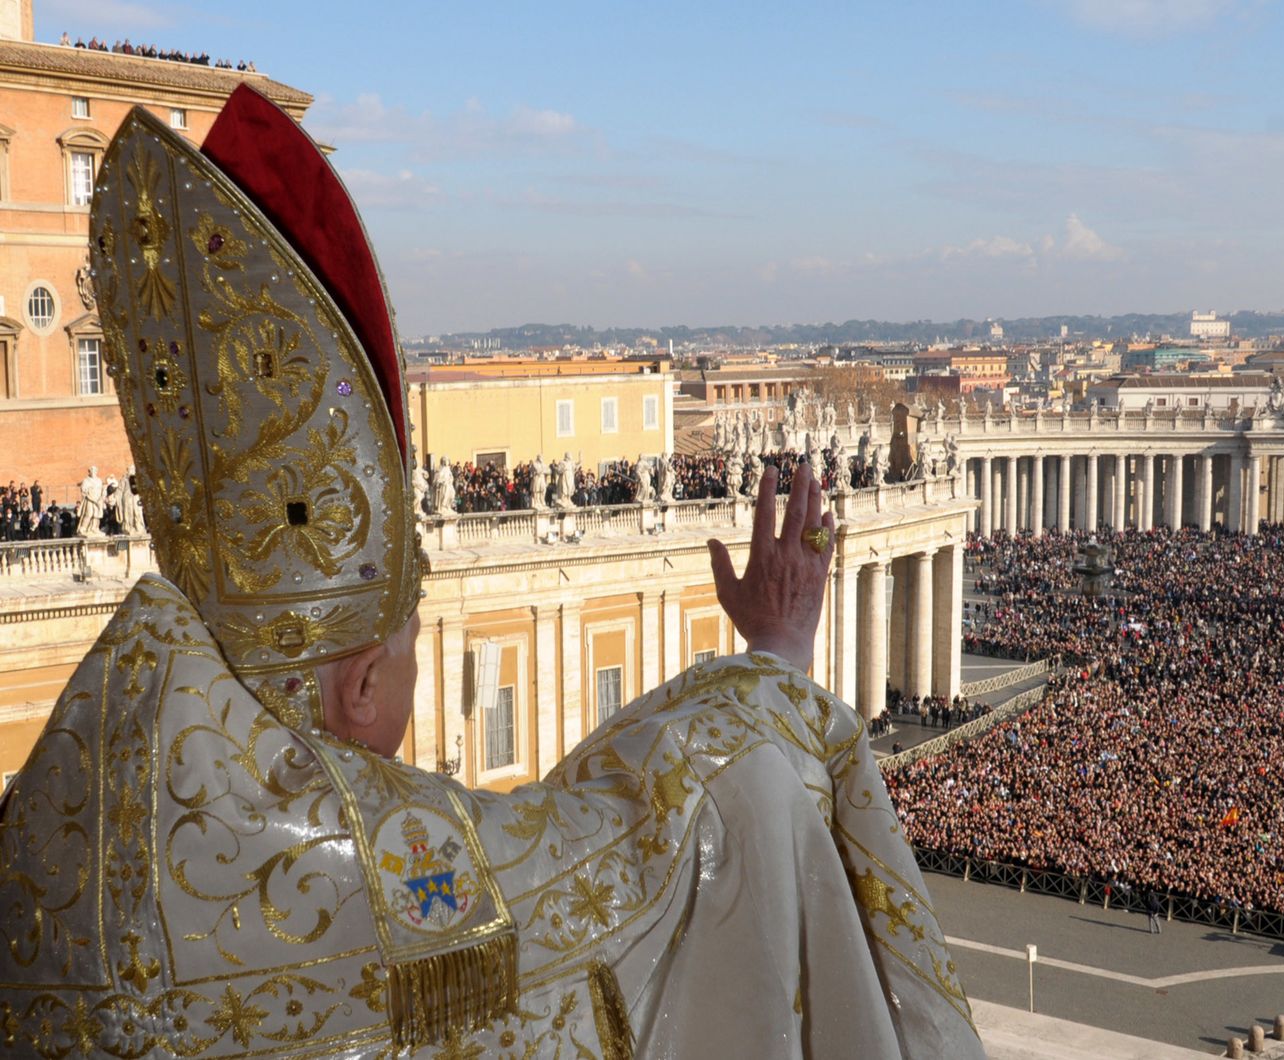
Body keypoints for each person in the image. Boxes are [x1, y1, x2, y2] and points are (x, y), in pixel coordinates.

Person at [0, 87, 983, 1059]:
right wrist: (777, 653)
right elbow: (653, 842)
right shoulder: (382, 871)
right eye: (408, 649)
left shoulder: (62, 828)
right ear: (361, 684)